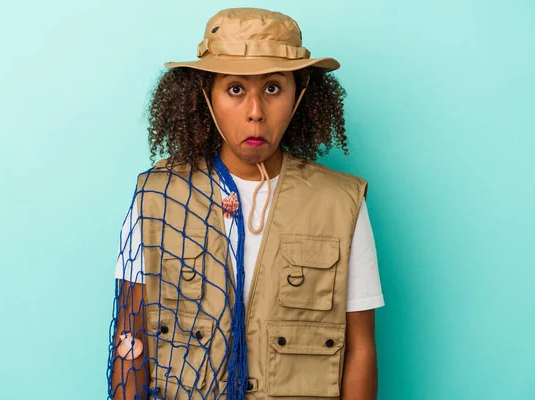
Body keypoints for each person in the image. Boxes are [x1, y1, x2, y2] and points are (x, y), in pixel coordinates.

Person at [107, 7, 384, 400]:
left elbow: (360, 349)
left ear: (299, 95)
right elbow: (130, 335)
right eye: (235, 89)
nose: (255, 112)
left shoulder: (340, 203)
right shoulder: (156, 197)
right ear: (206, 95)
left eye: (272, 88)